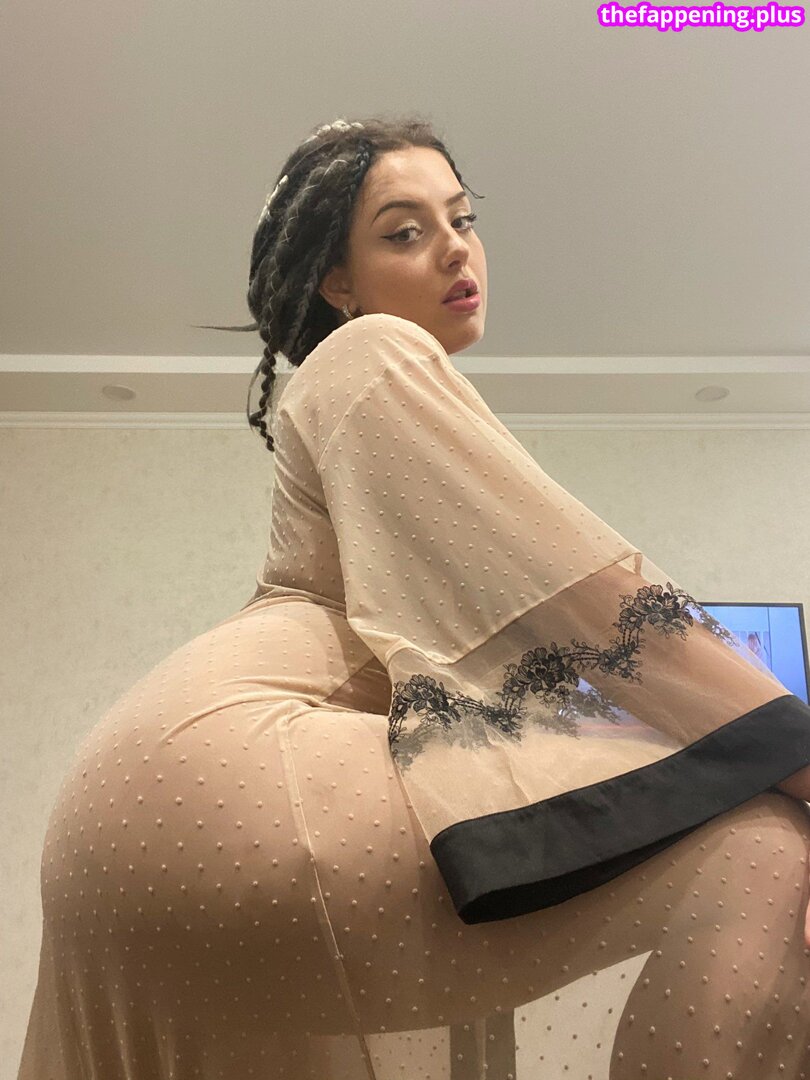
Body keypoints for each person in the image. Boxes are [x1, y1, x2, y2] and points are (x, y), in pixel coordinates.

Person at [17, 114, 810, 1080]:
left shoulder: (357, 393)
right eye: (404, 231)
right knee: (767, 845)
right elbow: (580, 596)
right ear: (337, 284)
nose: (454, 248)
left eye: (463, 220)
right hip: (235, 767)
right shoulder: (371, 350)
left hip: (146, 799)